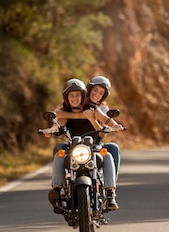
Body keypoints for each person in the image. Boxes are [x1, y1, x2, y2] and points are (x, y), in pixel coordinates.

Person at [43, 78, 119, 211]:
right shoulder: (63, 110)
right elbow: (57, 123)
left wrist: (116, 125)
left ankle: (110, 193)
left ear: (83, 95)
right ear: (66, 97)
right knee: (60, 154)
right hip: (73, 147)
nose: (74, 98)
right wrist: (50, 130)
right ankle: (57, 191)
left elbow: (106, 120)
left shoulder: (93, 109)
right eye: (71, 95)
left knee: (107, 156)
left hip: (93, 148)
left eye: (78, 95)